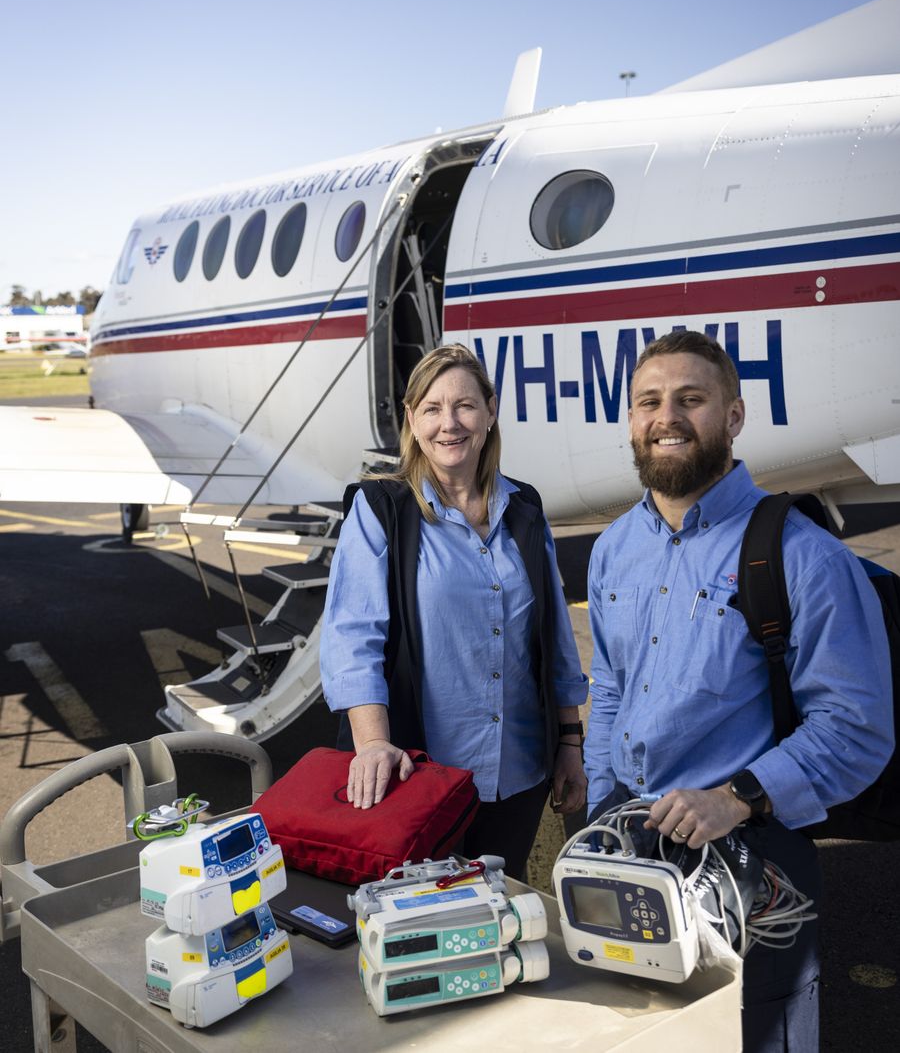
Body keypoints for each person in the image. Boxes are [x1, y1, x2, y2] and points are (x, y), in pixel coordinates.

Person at [584, 330, 893, 1052]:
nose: (667, 417)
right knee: (637, 1031)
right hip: (634, 841)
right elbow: (610, 691)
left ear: (733, 417)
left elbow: (856, 726)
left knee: (762, 1036)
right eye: (649, 401)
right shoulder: (612, 550)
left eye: (691, 399)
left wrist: (735, 798)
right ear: (631, 420)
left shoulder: (803, 557)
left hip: (753, 854)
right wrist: (601, 807)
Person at [320, 343, 588, 880]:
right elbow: (353, 638)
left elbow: (554, 635)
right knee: (424, 932)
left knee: (499, 920)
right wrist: (372, 743)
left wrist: (570, 744)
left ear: (490, 412)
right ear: (412, 420)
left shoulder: (525, 509)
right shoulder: (382, 511)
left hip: (520, 774)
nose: (450, 423)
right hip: (422, 777)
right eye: (432, 408)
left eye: (465, 406)